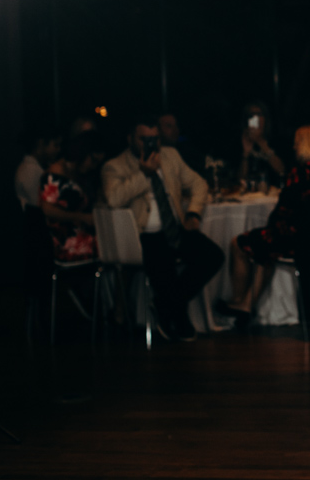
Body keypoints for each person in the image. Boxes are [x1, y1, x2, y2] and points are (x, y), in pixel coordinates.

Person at [216, 125, 310, 329]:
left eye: (298, 142)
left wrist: (274, 227)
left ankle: (238, 301)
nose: (294, 146)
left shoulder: (300, 173)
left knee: (240, 243)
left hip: (302, 242)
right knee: (266, 248)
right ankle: (245, 306)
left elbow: (284, 212)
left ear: (307, 144)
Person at [102, 115, 224, 342]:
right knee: (163, 262)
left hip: (175, 227)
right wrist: (144, 173)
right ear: (130, 139)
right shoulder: (115, 166)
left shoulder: (171, 156)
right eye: (144, 139)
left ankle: (166, 305)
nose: (151, 145)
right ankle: (177, 316)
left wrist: (193, 213)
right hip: (144, 235)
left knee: (213, 255)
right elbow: (113, 199)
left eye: (155, 139)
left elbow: (198, 183)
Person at [39, 133, 99, 262]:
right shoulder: (55, 173)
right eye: (93, 160)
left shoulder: (81, 175)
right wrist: (81, 217)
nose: (93, 166)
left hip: (84, 236)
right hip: (66, 240)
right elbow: (47, 209)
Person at [238, 101, 286, 189]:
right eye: (251, 115)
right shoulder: (243, 140)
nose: (256, 118)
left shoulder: (276, 140)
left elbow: (281, 170)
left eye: (259, 114)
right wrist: (245, 153)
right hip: (251, 195)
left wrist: (261, 142)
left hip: (274, 192)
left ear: (265, 118)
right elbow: (240, 179)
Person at [16, 124, 62, 208]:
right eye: (55, 145)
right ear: (41, 144)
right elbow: (38, 207)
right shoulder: (30, 171)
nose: (58, 149)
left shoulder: (32, 168)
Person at [158, 112, 208, 181]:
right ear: (158, 130)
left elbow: (195, 181)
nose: (175, 130)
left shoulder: (184, 150)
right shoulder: (155, 155)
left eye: (176, 125)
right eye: (169, 126)